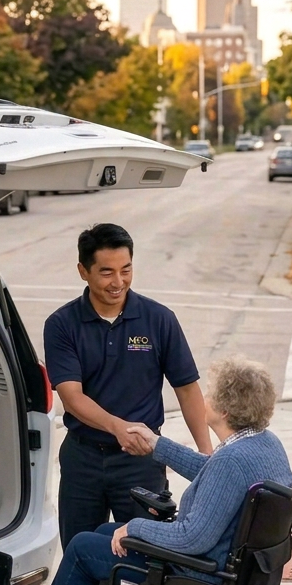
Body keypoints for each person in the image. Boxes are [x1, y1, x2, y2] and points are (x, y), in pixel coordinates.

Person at [0, 356, 292, 585]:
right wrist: (157, 445)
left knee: (83, 547)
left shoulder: (232, 460)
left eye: (209, 394)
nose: (204, 398)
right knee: (101, 535)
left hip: (196, 575)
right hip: (238, 573)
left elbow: (192, 538)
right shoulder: (263, 445)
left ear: (223, 409)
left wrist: (135, 528)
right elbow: (212, 472)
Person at [44, 223, 212, 549]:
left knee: (143, 558)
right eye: (106, 272)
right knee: (80, 550)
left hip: (142, 462)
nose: (118, 282)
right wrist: (119, 428)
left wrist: (205, 455)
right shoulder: (62, 325)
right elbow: (71, 397)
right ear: (83, 271)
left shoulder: (159, 320)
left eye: (126, 269)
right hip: (83, 460)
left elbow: (187, 389)